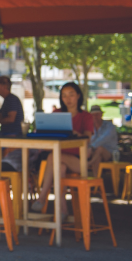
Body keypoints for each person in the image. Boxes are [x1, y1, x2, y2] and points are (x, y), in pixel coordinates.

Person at [33, 82, 93, 217]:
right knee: (60, 167)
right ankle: (63, 209)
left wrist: (75, 133)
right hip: (58, 159)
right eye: (64, 95)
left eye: (71, 95)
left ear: (78, 95)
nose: (68, 99)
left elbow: (87, 139)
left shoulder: (86, 116)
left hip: (79, 160)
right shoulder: (57, 113)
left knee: (52, 157)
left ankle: (42, 197)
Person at [88, 104, 118, 178]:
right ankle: (97, 180)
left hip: (111, 154)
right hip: (95, 153)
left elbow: (103, 139)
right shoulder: (90, 127)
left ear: (101, 114)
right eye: (93, 115)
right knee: (98, 156)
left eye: (97, 114)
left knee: (100, 149)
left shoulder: (110, 126)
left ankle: (87, 164)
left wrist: (91, 147)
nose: (95, 117)